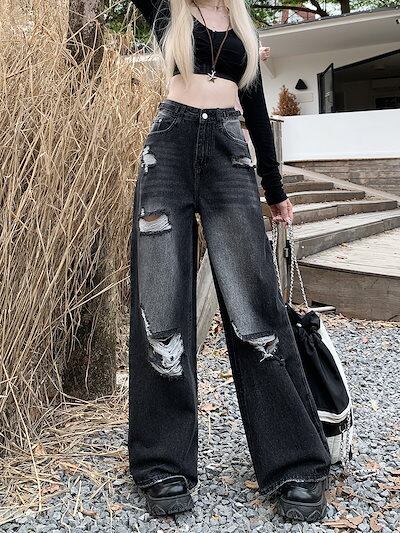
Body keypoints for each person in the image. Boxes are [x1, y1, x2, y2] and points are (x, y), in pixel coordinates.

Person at [128, 0, 332, 522]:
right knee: (160, 306)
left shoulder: (242, 25)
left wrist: (275, 190)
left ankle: (295, 463)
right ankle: (163, 464)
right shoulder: (169, 11)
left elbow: (256, 109)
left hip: (228, 151)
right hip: (168, 148)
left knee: (255, 308)